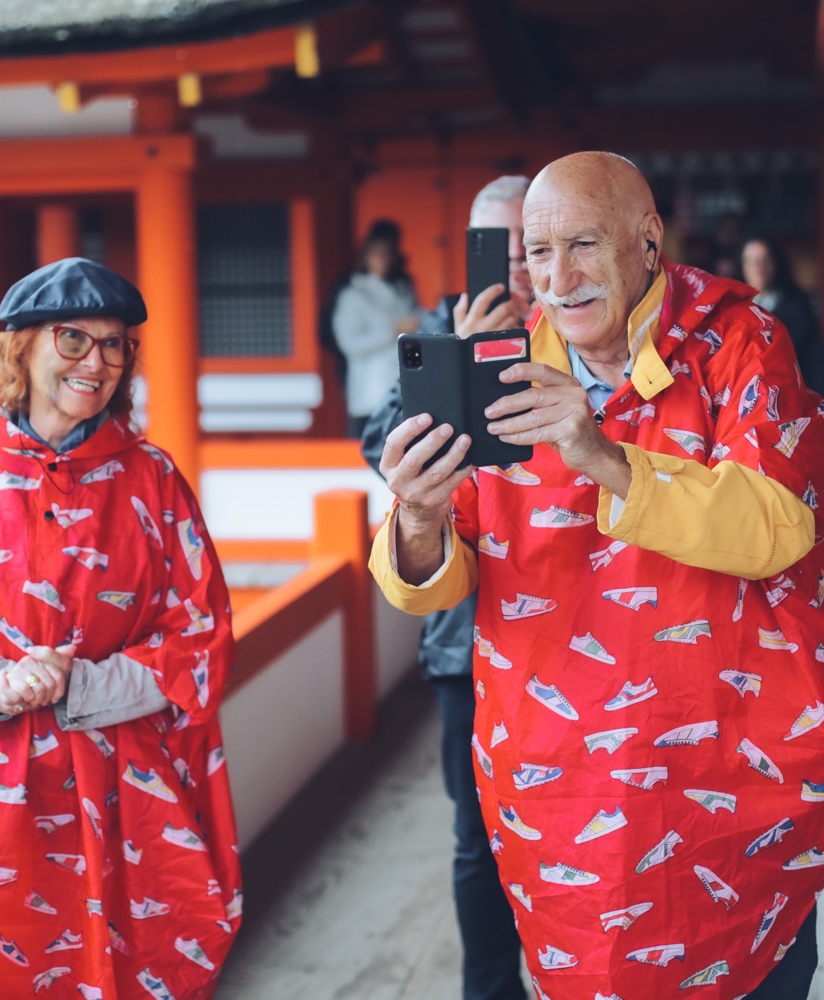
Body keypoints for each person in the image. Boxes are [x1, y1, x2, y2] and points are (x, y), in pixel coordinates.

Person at [368, 152, 824, 1000]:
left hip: (735, 759)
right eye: (539, 253)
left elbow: (779, 525)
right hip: (566, 769)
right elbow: (433, 579)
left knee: (755, 971)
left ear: (647, 241)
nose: (559, 278)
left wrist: (604, 457)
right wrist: (420, 517)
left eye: (584, 245)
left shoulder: (740, 341)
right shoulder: (496, 361)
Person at [0, 257, 244, 1000]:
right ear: (22, 348)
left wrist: (80, 684)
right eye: (72, 339)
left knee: (129, 971)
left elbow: (198, 634)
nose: (94, 362)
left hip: (121, 782)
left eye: (114, 345)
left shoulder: (154, 481)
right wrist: (2, 684)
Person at [360, 175, 531, 1000]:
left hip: (575, 629)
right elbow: (379, 444)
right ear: (472, 251)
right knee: (479, 834)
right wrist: (462, 355)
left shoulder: (586, 335)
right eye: (499, 248)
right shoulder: (437, 330)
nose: (521, 269)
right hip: (468, 629)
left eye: (532, 244)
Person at [739, 237, 824, 444]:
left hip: (790, 407)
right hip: (747, 411)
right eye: (751, 261)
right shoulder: (736, 309)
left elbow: (815, 363)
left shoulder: (796, 306)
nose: (759, 268)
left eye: (765, 261)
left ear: (775, 265)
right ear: (743, 266)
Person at [333, 224, 423, 437]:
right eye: (377, 253)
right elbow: (350, 344)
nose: (383, 259)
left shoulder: (402, 288)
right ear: (365, 257)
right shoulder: (353, 295)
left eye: (387, 253)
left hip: (401, 386)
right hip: (370, 390)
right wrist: (392, 330)